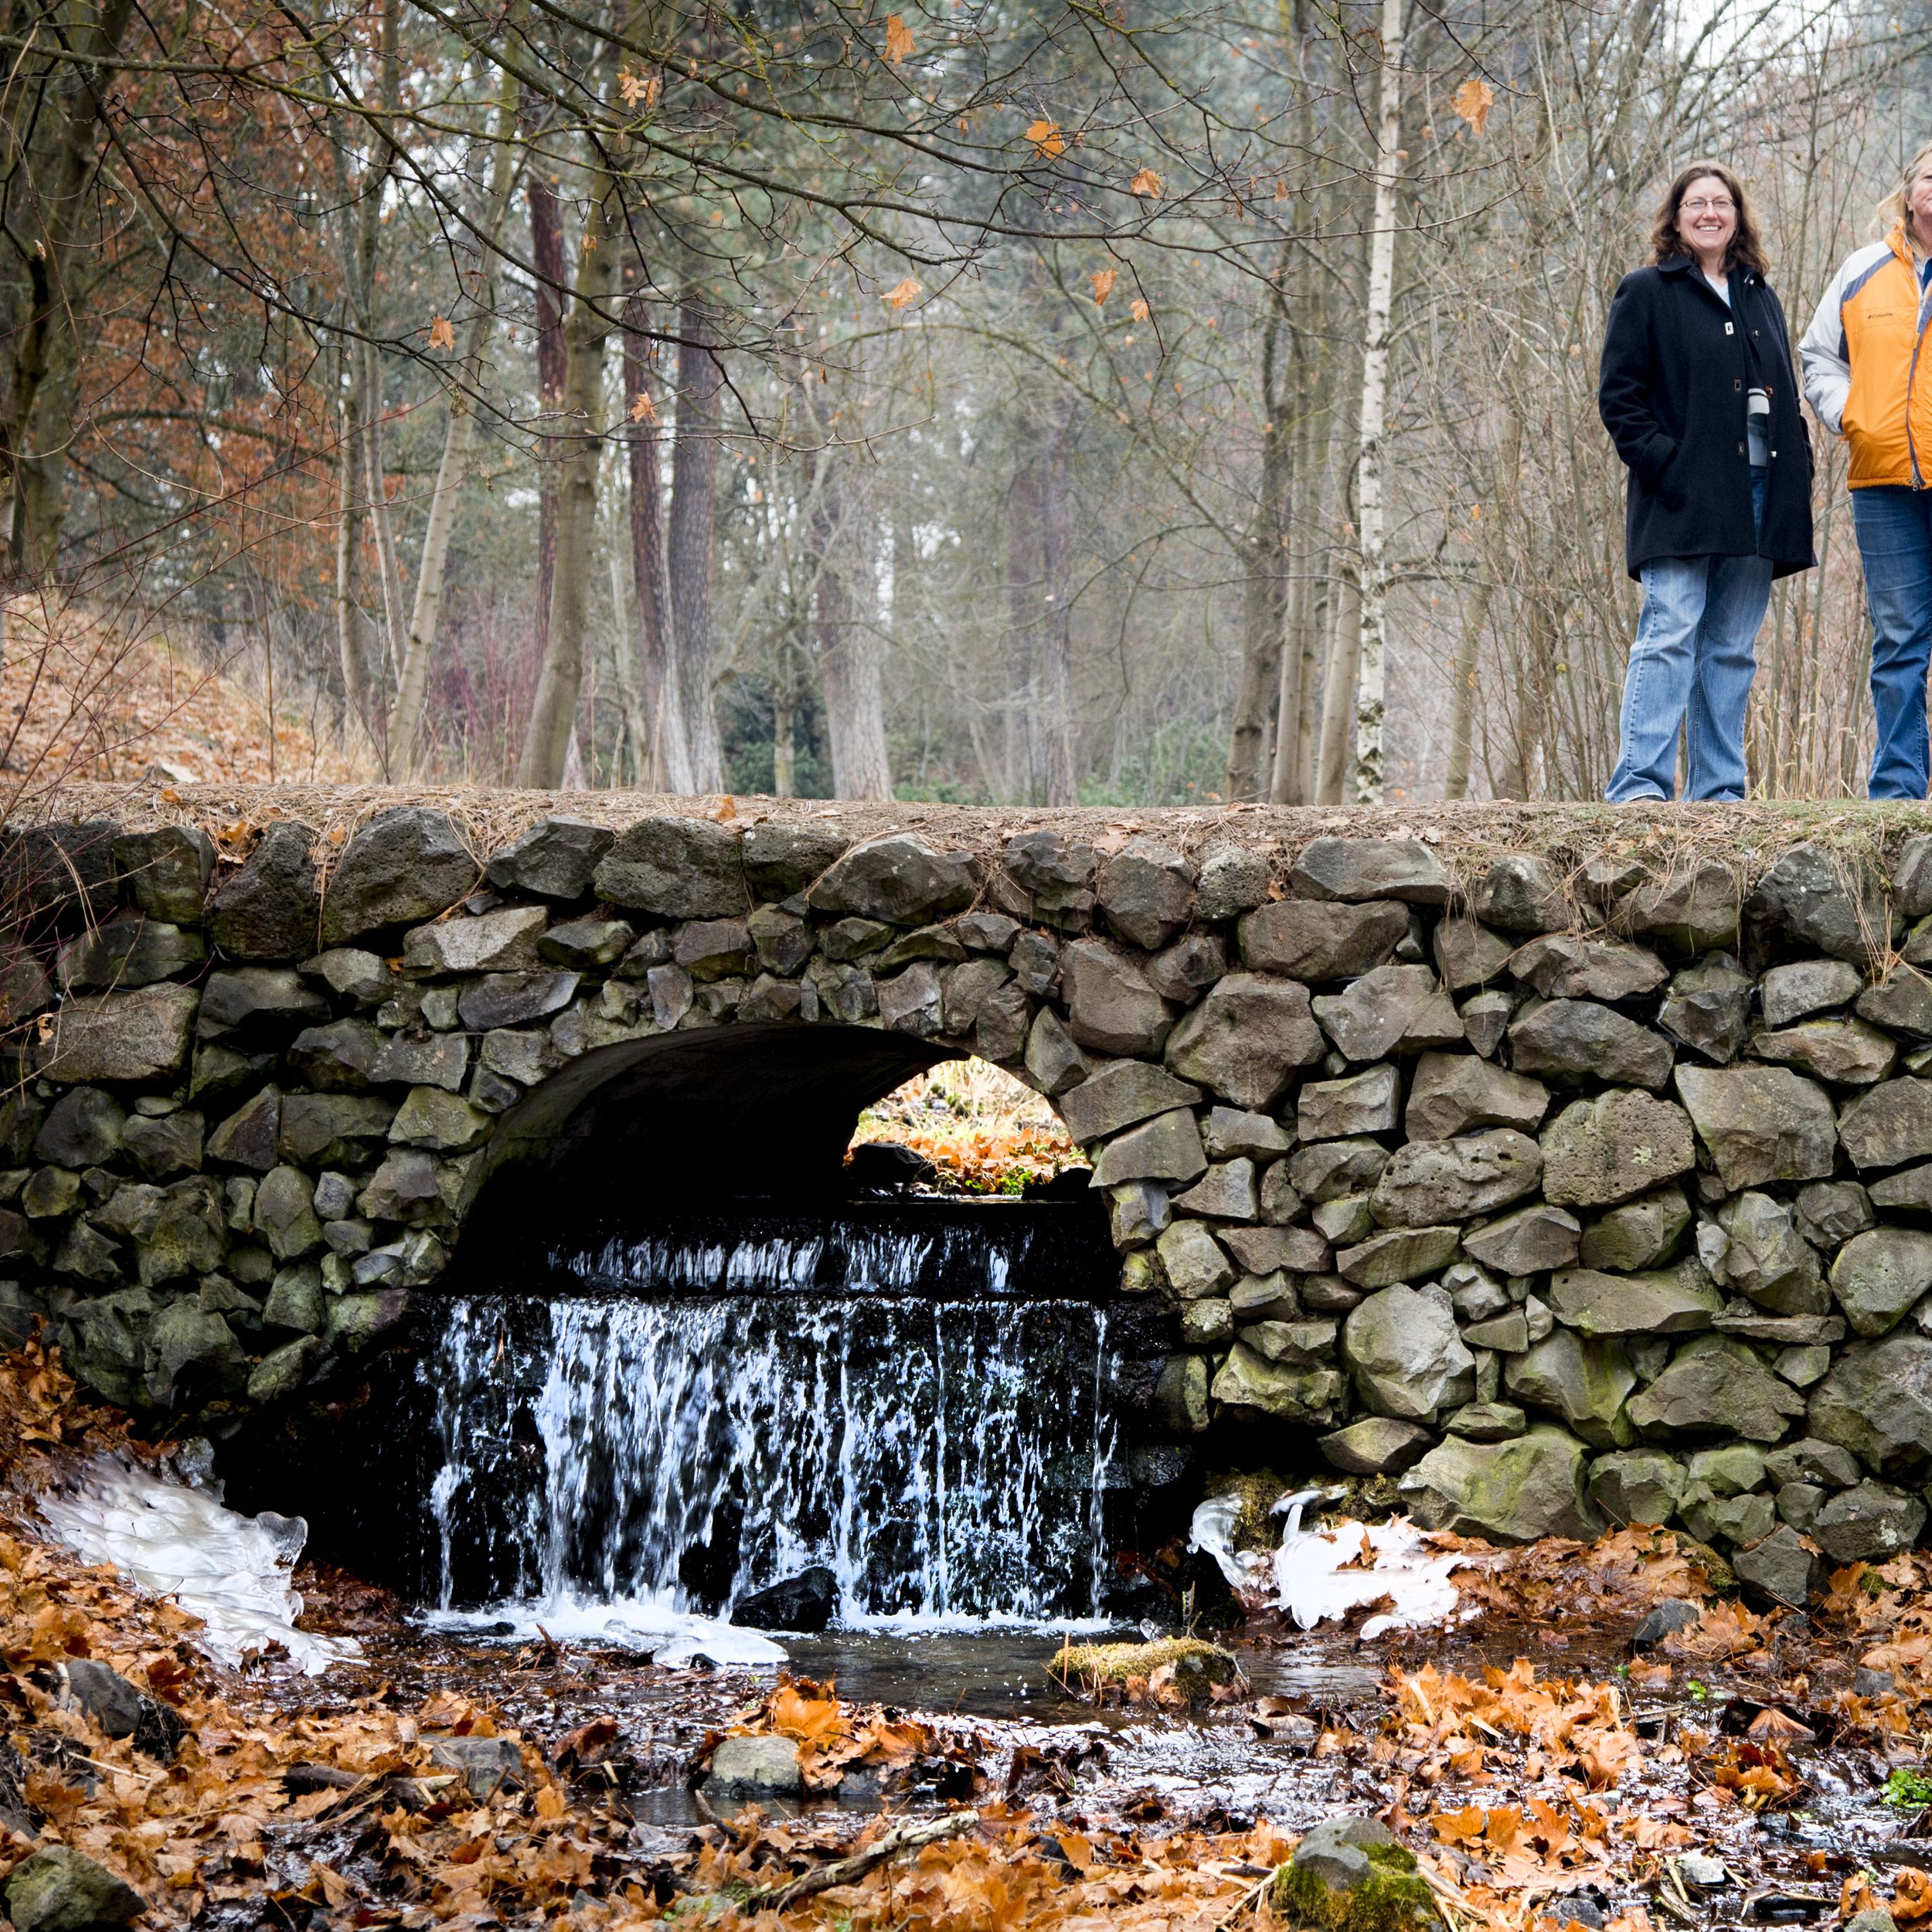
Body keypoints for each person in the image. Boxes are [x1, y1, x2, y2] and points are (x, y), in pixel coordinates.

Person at [1598, 163, 1815, 801]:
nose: (1711, 213)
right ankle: (1640, 786)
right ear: (1676, 217)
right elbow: (1620, 399)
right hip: (1682, 499)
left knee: (1730, 649)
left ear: (1739, 217)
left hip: (1759, 499)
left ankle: (1719, 791)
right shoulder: (1647, 291)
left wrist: (1798, 466)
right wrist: (1668, 461)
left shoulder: (1760, 295)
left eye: (1722, 203)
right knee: (1669, 632)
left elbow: (1786, 398)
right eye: (1697, 203)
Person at [1801, 141, 1932, 799]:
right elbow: (1818, 356)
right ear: (1909, 193)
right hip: (1884, 484)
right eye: (1931, 178)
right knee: (1900, 641)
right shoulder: (1863, 269)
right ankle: (1900, 793)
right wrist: (1853, 414)